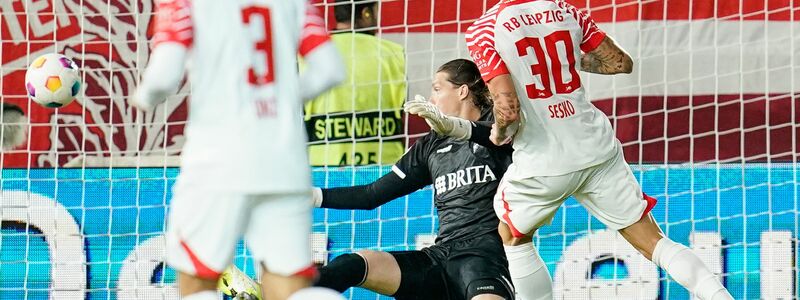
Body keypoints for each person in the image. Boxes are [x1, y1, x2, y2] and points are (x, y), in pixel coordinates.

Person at [417, 1, 735, 299]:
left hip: (545, 160)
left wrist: (499, 133)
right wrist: (566, 61)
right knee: (654, 242)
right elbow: (621, 63)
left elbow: (508, 107)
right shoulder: (565, 9)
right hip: (597, 148)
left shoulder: (485, 28)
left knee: (512, 236)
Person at [222, 59, 554, 300]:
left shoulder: (500, 135)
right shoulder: (430, 146)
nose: (432, 97)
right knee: (357, 263)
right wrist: (310, 196)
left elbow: (499, 133)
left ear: (463, 91)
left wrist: (458, 127)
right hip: (439, 259)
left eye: (438, 89)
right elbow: (371, 195)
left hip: (485, 261)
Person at [130, 0, 345, 299]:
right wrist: (280, 99)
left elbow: (164, 76)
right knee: (289, 287)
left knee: (197, 281)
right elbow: (330, 70)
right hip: (285, 164)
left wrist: (142, 96)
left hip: (217, 162)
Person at [304, 0, 407, 166]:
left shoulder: (315, 54)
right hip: (383, 172)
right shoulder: (393, 53)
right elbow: (402, 111)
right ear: (366, 13)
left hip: (323, 171)